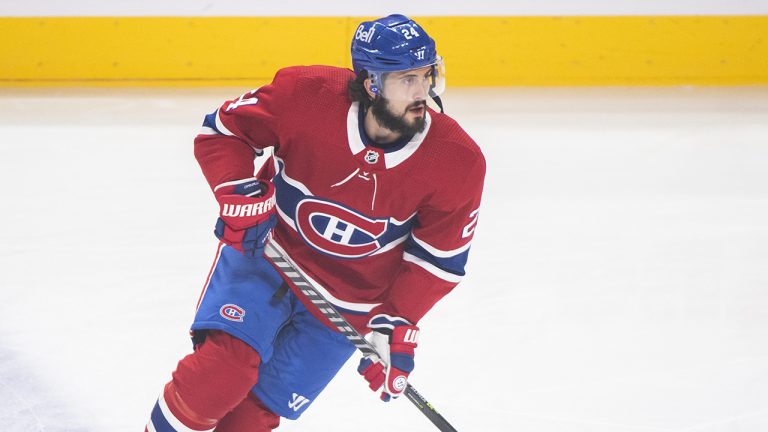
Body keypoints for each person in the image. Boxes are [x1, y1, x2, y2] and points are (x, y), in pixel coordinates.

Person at [145, 14, 485, 432]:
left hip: (350, 303)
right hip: (269, 253)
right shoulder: (305, 95)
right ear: (370, 83)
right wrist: (237, 191)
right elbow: (224, 132)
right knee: (218, 375)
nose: (422, 92)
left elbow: (437, 261)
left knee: (252, 419)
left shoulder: (457, 161)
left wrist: (395, 320)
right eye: (406, 79)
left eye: (426, 75)